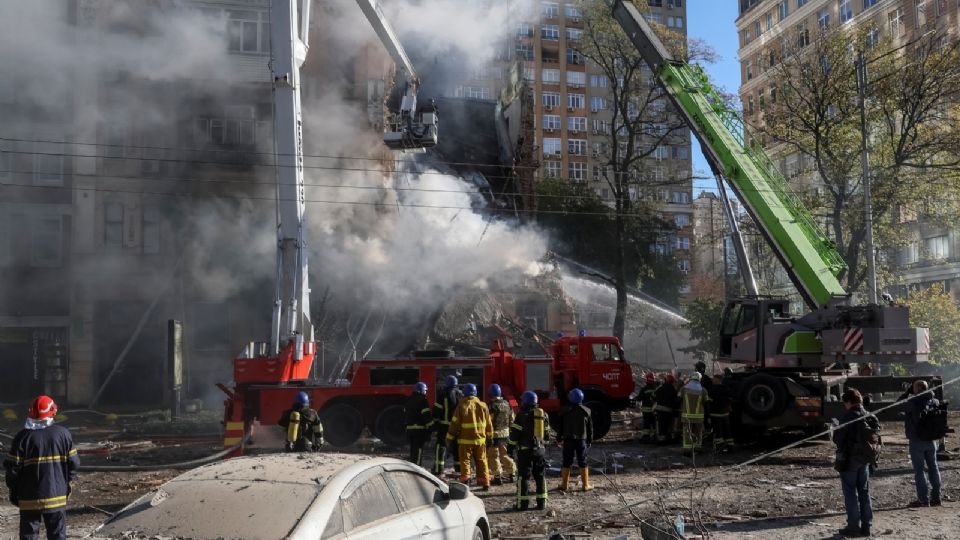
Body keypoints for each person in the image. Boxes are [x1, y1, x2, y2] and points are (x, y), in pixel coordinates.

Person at [3, 395, 80, 540]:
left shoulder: (21, 438)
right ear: (53, 412)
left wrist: (14, 492)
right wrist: (68, 483)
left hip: (28, 499)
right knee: (57, 535)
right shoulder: (63, 434)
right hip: (56, 496)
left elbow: (12, 470)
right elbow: (74, 464)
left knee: (29, 535)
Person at [832, 388, 873, 538]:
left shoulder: (848, 416)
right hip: (865, 459)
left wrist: (835, 428)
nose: (844, 406)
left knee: (850, 493)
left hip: (850, 459)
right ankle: (867, 526)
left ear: (849, 402)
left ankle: (853, 527)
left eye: (845, 403)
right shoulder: (868, 415)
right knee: (864, 492)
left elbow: (838, 439)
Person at [446, 383, 493, 489]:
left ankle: (466, 481)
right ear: (475, 393)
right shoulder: (483, 405)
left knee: (465, 461)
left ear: (464, 393)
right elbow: (489, 423)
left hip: (465, 441)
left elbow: (454, 423)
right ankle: (485, 482)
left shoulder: (461, 406)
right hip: (480, 440)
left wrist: (449, 439)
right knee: (482, 460)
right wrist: (490, 437)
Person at [904, 380, 943, 507]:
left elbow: (896, 405)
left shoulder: (912, 402)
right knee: (934, 467)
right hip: (931, 440)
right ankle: (936, 497)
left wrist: (907, 392)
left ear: (915, 389)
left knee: (919, 471)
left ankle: (923, 499)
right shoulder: (935, 401)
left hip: (916, 440)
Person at [509, 391, 549, 510]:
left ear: (525, 402)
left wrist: (510, 448)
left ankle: (522, 504)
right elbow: (546, 436)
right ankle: (542, 503)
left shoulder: (521, 416)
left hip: (525, 452)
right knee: (540, 476)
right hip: (540, 451)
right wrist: (542, 448)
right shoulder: (543, 415)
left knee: (523, 478)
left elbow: (514, 435)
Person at [556, 388, 593, 492]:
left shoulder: (564, 411)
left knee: (567, 461)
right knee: (583, 461)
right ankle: (585, 485)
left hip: (568, 440)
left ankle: (564, 485)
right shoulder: (587, 411)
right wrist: (589, 440)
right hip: (582, 440)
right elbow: (590, 428)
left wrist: (558, 439)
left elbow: (560, 428)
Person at [432, 374, 463, 476]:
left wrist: (435, 423)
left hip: (444, 426)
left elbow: (436, 411)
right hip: (457, 427)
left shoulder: (443, 395)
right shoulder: (461, 395)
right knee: (457, 446)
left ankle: (438, 469)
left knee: (441, 446)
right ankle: (459, 469)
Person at [487, 384, 516, 485]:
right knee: (505, 455)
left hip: (494, 435)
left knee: (494, 456)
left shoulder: (491, 406)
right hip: (506, 434)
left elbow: (488, 421)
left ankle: (497, 477)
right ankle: (512, 473)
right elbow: (512, 419)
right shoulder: (507, 404)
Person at [404, 382, 433, 466]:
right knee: (419, 450)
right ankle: (417, 468)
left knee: (413, 450)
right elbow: (426, 416)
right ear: (421, 390)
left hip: (409, 431)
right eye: (425, 391)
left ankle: (412, 467)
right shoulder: (423, 401)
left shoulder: (408, 400)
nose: (426, 392)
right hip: (419, 431)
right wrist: (431, 427)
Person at [680, 372, 707, 454]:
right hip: (699, 416)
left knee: (687, 431)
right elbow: (706, 401)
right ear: (699, 379)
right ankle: (697, 447)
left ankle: (687, 449)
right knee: (698, 431)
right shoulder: (703, 389)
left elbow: (678, 398)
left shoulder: (684, 388)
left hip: (686, 415)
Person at [707, 373, 733, 452]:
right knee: (727, 430)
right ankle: (730, 446)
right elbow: (730, 399)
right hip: (725, 413)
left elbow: (709, 401)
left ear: (717, 380)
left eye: (714, 379)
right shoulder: (726, 388)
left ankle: (719, 447)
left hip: (715, 414)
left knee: (718, 431)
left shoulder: (712, 389)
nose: (712, 380)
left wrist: (708, 414)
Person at [654, 374, 679, 443]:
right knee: (667, 425)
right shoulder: (673, 390)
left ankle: (661, 439)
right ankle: (665, 439)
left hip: (659, 410)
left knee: (661, 425)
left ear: (665, 380)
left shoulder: (660, 388)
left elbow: (653, 396)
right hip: (668, 411)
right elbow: (676, 401)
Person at [638, 372, 658, 441]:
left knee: (647, 424)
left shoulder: (644, 389)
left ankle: (646, 436)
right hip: (654, 410)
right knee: (654, 423)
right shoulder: (656, 389)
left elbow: (639, 398)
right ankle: (655, 436)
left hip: (646, 411)